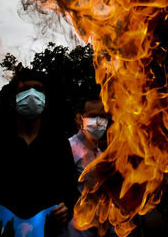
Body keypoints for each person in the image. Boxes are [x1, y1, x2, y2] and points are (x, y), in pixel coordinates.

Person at [0, 69, 78, 236]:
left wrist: (66, 208)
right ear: (13, 101)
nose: (32, 93)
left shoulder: (58, 143)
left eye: (38, 88)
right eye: (24, 89)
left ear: (46, 101)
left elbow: (70, 190)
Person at [67, 96, 110, 237]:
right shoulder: (69, 149)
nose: (98, 121)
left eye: (102, 116)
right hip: (74, 229)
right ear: (80, 119)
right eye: (93, 116)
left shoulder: (103, 155)